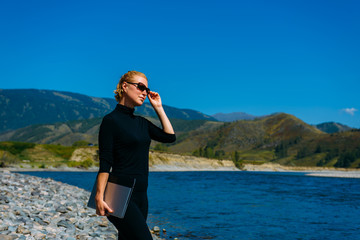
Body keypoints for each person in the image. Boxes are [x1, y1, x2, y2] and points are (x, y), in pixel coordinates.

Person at [95, 71, 176, 239]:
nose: (144, 92)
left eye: (146, 89)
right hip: (118, 192)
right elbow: (105, 161)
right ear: (125, 86)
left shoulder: (141, 123)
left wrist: (159, 108)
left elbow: (169, 137)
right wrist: (99, 195)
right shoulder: (111, 121)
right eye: (140, 87)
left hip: (141, 193)